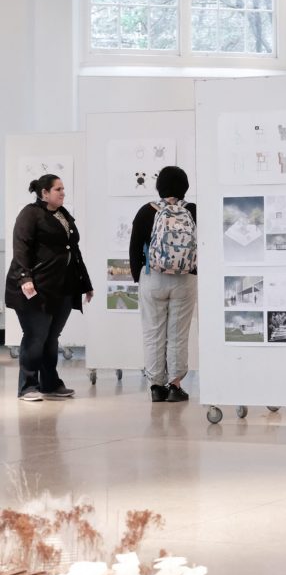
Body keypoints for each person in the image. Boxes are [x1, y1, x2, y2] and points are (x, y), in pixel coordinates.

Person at [4, 174, 93, 401]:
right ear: (44, 192)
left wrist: (85, 283)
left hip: (61, 288)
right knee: (36, 336)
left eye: (63, 189)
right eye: (58, 189)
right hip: (36, 288)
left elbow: (74, 251)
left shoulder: (62, 214)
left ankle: (50, 384)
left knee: (51, 337)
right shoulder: (30, 214)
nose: (63, 192)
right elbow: (20, 247)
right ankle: (27, 387)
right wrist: (25, 279)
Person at [129, 166, 197, 403]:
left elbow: (135, 248)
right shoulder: (193, 211)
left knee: (153, 333)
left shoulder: (146, 211)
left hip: (152, 277)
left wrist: (140, 278)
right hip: (185, 279)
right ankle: (175, 385)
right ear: (185, 187)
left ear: (159, 187)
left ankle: (156, 386)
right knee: (178, 333)